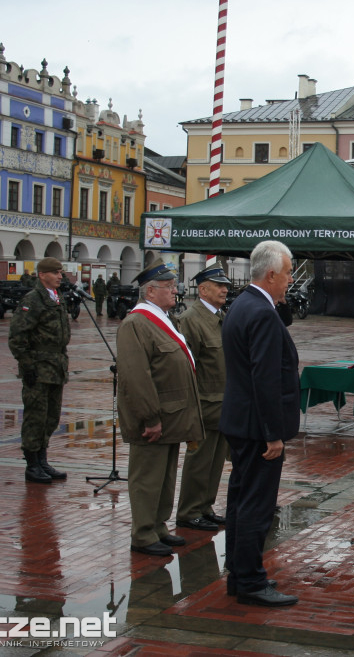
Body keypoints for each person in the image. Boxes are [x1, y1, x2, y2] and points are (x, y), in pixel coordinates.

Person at [219, 240, 300, 607]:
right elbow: (265, 378)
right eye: (287, 274)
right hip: (258, 428)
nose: (290, 281)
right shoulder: (261, 313)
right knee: (256, 506)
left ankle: (238, 575)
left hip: (240, 421)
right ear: (270, 274)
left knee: (239, 501)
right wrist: (273, 434)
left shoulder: (242, 304)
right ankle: (250, 580)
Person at [116, 258, 204, 557]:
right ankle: (142, 533)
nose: (174, 292)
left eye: (173, 286)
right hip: (154, 418)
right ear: (150, 292)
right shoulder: (136, 324)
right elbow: (136, 376)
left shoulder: (166, 319)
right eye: (168, 287)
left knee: (165, 477)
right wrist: (149, 417)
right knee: (147, 478)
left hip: (171, 415)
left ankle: (158, 527)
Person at [174, 266, 233, 533]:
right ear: (202, 289)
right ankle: (189, 511)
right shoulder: (190, 319)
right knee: (199, 460)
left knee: (216, 459)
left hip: (223, 402)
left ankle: (205, 507)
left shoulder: (222, 317)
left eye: (225, 286)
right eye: (218, 286)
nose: (224, 290)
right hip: (203, 404)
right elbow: (187, 367)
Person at [8, 256, 71, 484]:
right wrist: (27, 365)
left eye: (60, 272)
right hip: (39, 366)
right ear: (43, 275)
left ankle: (43, 459)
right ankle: (32, 464)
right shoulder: (33, 299)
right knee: (35, 416)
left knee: (51, 416)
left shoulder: (56, 297)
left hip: (56, 366)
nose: (60, 276)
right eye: (55, 273)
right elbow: (17, 336)